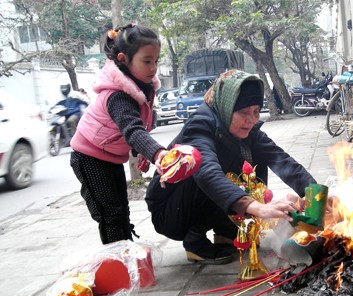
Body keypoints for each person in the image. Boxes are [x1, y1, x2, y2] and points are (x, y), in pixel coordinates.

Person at [145, 69, 317, 264]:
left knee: (255, 161)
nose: (251, 119)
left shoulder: (248, 130)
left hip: (195, 202)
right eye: (244, 112)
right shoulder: (200, 126)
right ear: (227, 106)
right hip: (172, 212)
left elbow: (282, 160)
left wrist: (316, 194)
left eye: (255, 112)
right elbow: (208, 174)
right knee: (200, 165)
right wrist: (256, 207)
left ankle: (227, 231)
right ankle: (194, 240)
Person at [70, 23, 168, 244]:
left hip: (109, 155)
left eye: (156, 61)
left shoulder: (140, 86)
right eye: (147, 61)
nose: (153, 68)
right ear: (124, 59)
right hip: (89, 157)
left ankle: (127, 259)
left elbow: (133, 128)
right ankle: (120, 266)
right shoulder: (119, 95)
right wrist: (157, 153)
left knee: (121, 211)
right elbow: (131, 128)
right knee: (110, 215)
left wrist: (141, 151)